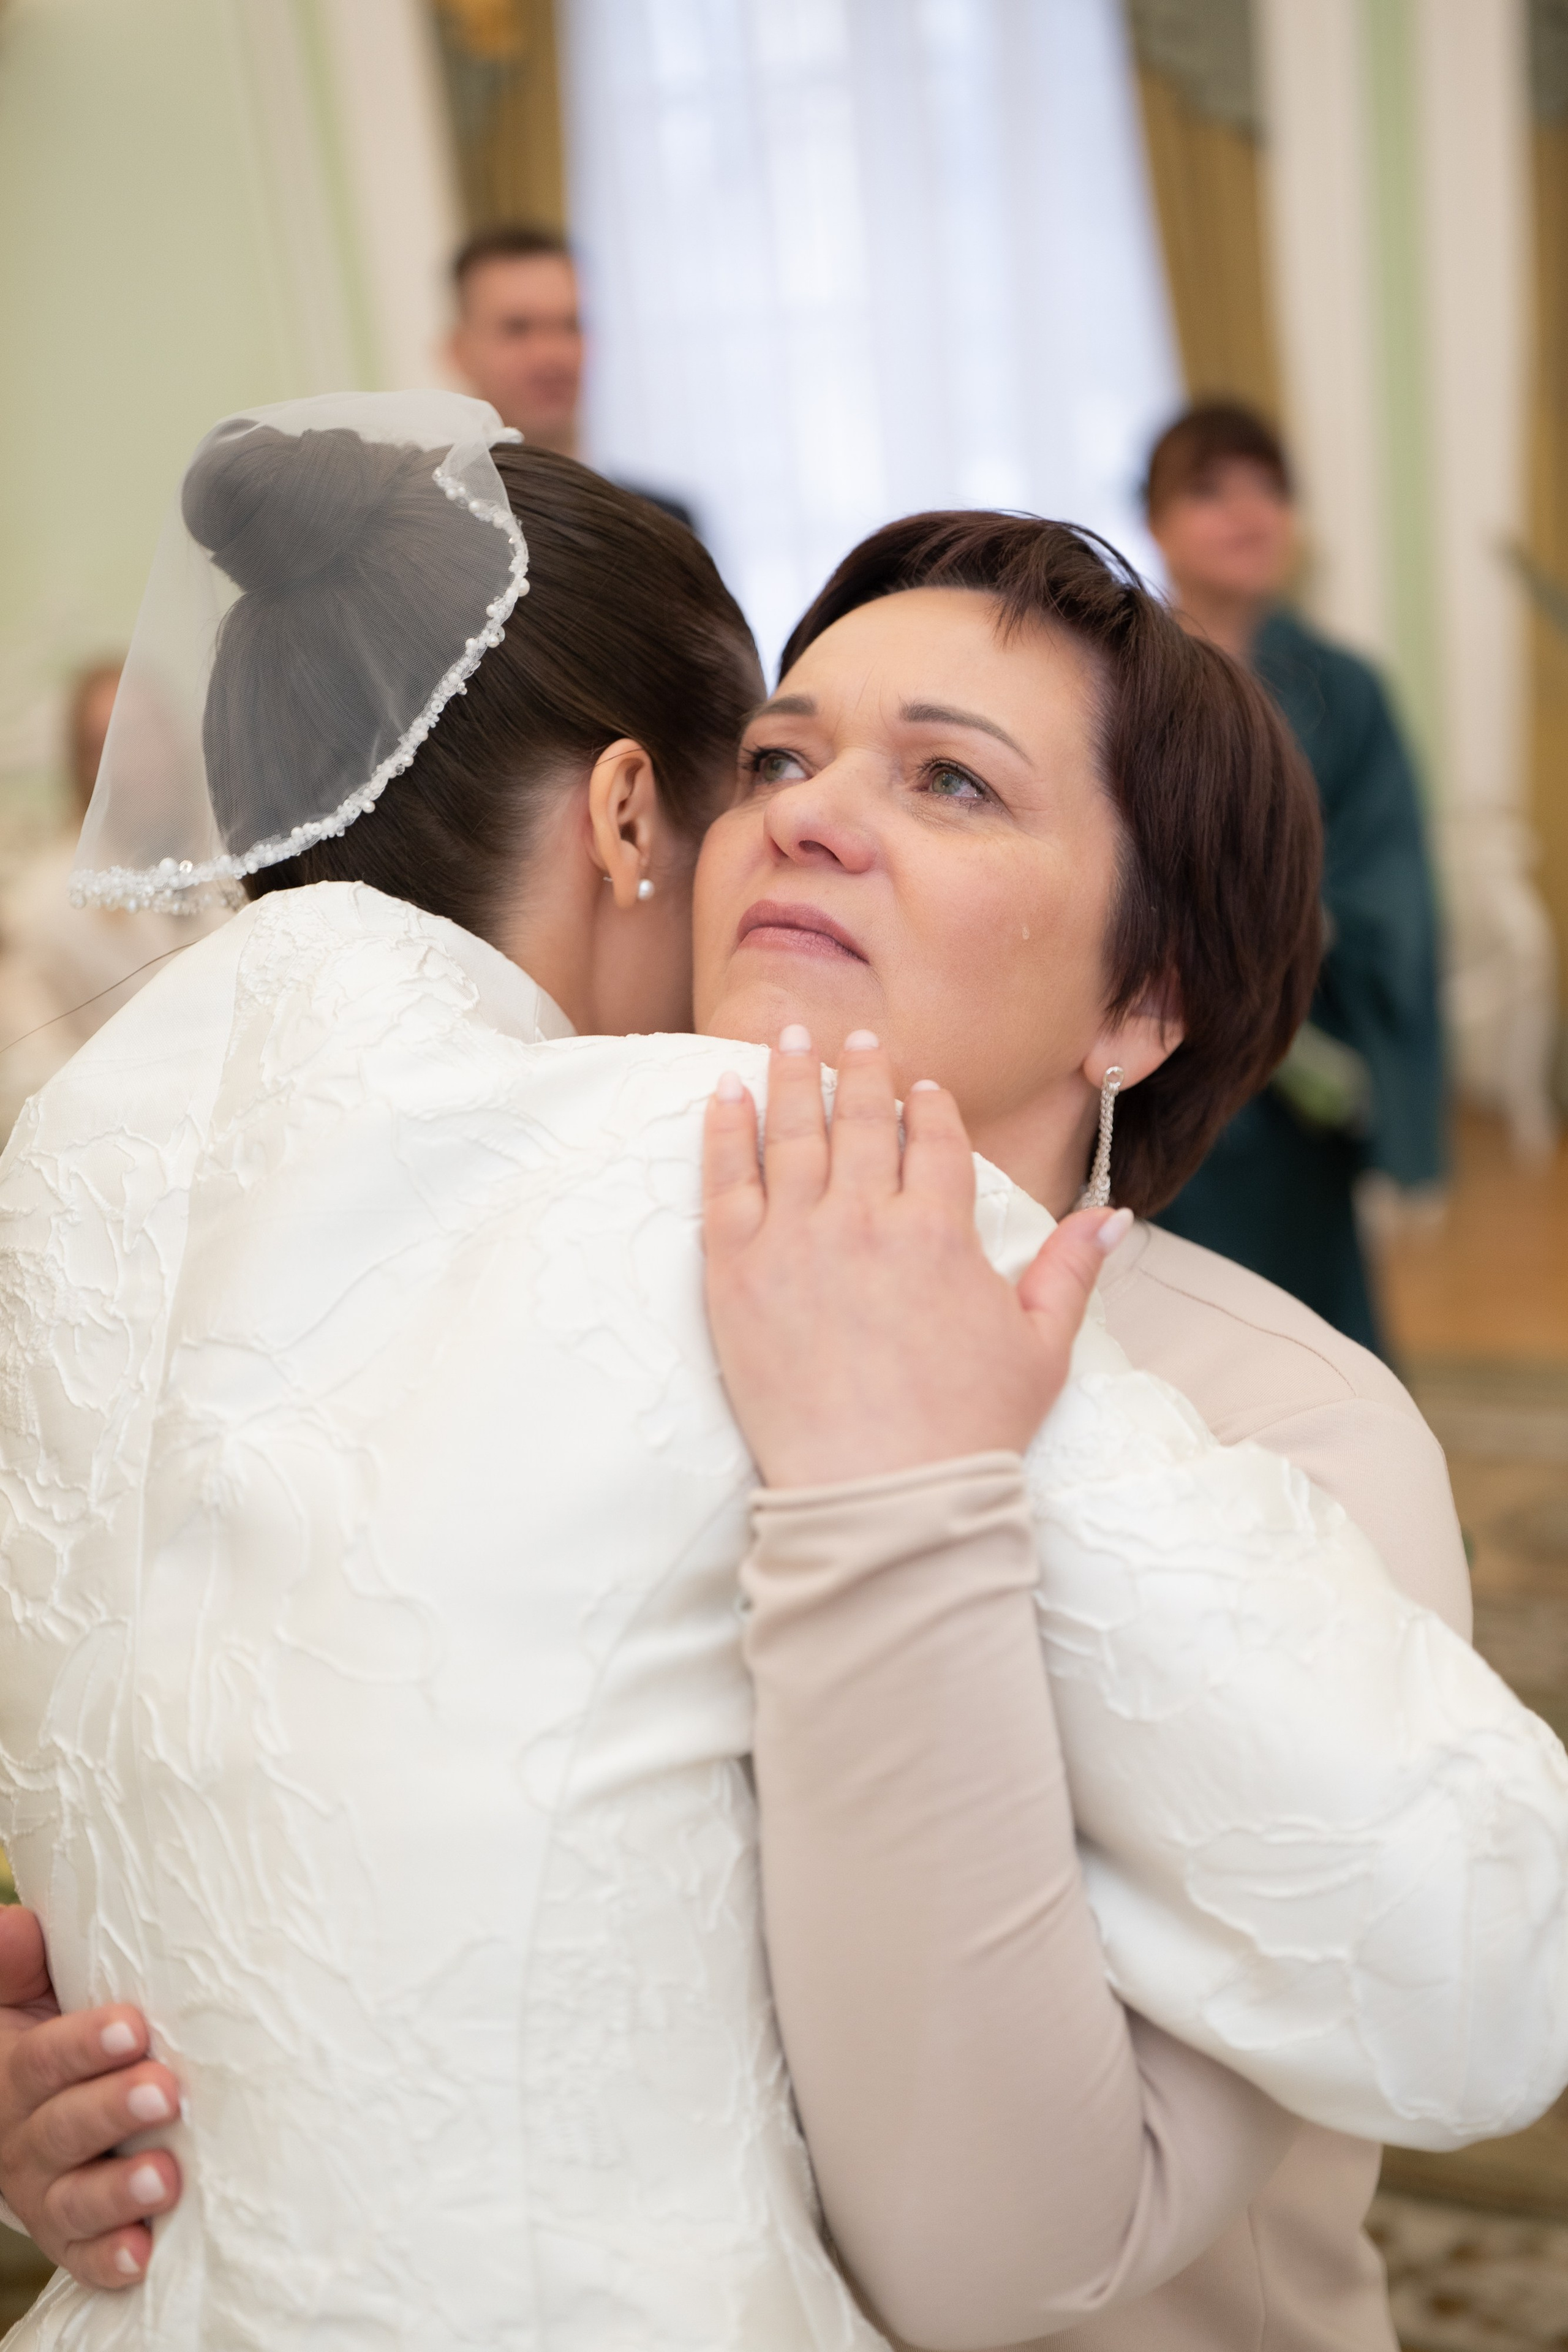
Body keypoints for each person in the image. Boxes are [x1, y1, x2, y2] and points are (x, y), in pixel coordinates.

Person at [0, 405, 1563, 2350]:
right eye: (781, 755)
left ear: (1141, 999)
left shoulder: (1289, 1434)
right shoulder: (551, 1290)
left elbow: (1000, 2260)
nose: (815, 813)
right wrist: (142, 2091)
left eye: (953, 785)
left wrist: (885, 1489)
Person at [1142, 401, 1446, 1356]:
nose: (1248, 512)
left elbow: (1392, 875)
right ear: (1155, 521)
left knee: (1313, 1332)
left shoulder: (1347, 690)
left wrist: (1271, 931)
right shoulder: (1109, 676)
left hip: (1291, 1071)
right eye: (1210, 490)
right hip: (1140, 1057)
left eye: (1270, 489)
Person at [0, 664, 225, 1139]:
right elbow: (29, 1072)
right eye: (116, 741)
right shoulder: (46, 909)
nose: (143, 760)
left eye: (152, 732)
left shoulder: (243, 853)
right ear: (84, 766)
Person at [448, 222, 698, 531]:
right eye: (517, 329)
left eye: (570, 325)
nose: (550, 355)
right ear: (458, 351)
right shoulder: (424, 531)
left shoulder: (668, 522)